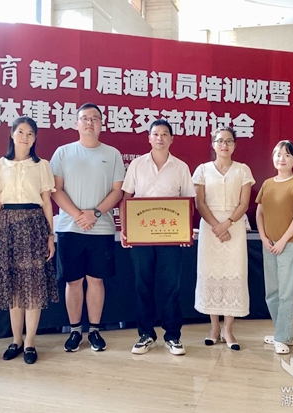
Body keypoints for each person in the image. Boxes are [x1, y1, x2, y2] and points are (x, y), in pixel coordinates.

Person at [50, 103, 124, 352]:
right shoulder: (63, 152)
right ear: (77, 123)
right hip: (69, 228)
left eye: (95, 118)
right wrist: (78, 215)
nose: (90, 122)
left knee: (96, 281)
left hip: (100, 228)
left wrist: (95, 213)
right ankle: (74, 331)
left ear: (102, 124)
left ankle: (94, 330)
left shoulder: (112, 154)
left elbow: (117, 191)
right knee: (73, 281)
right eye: (85, 118)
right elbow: (56, 189)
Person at [121, 119, 196, 356]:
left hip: (171, 237)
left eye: (165, 134)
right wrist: (125, 229)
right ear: (149, 138)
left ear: (172, 139)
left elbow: (189, 202)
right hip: (141, 236)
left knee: (171, 286)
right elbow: (126, 198)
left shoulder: (181, 167)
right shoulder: (137, 165)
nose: (160, 138)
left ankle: (172, 336)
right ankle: (146, 335)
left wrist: (186, 231)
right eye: (156, 134)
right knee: (143, 285)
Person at [0, 116, 59, 364]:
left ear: (35, 138)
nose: (25, 137)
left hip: (34, 225)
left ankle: (30, 342)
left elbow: (47, 203)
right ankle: (16, 340)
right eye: (20, 132)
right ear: (12, 134)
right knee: (14, 286)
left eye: (30, 133)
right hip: (7, 225)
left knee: (33, 285)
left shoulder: (42, 165)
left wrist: (50, 236)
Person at [192, 126, 255, 350]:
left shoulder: (243, 170)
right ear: (213, 144)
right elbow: (200, 203)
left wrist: (226, 224)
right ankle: (214, 328)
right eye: (220, 141)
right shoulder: (202, 170)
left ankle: (228, 329)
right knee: (212, 274)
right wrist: (216, 226)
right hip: (210, 228)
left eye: (229, 141)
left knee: (233, 274)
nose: (224, 145)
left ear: (234, 145)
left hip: (234, 227)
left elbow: (244, 204)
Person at [256, 140, 293, 355]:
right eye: (278, 154)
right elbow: (259, 213)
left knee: (288, 294)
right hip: (269, 245)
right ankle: (285, 334)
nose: (282, 159)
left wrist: (282, 241)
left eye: (287, 155)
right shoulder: (267, 183)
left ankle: (282, 337)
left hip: (291, 245)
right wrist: (263, 238)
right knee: (272, 293)